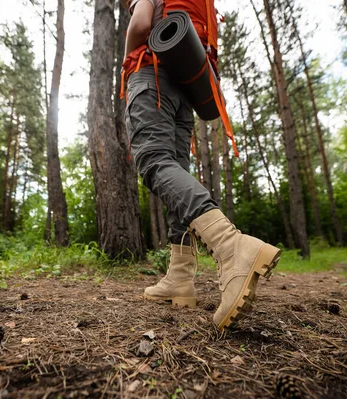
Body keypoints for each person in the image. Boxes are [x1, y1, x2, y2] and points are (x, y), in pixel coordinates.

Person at [120, 0, 282, 331]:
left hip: (150, 75)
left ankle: (231, 246)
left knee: (154, 160)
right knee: (175, 167)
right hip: (184, 90)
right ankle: (180, 277)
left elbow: (139, 25)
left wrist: (126, 62)